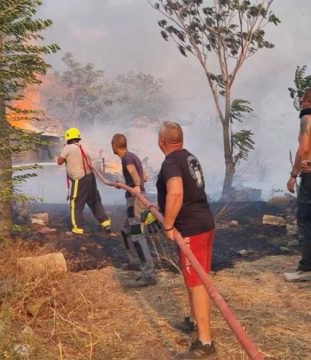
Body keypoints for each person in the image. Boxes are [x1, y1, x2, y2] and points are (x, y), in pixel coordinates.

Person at [156, 121, 216, 359]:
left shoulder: (170, 162)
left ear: (162, 142)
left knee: (197, 282)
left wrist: (168, 224)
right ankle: (193, 320)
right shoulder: (190, 157)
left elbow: (177, 192)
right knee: (194, 277)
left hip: (191, 229)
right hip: (204, 222)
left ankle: (205, 343)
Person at [111, 133, 157, 288]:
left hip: (135, 200)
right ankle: (134, 262)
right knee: (125, 229)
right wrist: (128, 183)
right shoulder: (133, 156)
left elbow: (137, 176)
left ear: (114, 145)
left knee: (137, 235)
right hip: (135, 198)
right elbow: (145, 176)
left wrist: (136, 186)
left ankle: (148, 275)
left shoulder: (126, 159)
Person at [285, 89, 311, 282]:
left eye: (302, 101)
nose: (300, 104)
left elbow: (304, 148)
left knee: (305, 221)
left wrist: (293, 175)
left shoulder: (307, 120)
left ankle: (306, 268)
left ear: (308, 102)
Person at [57, 127, 111, 235]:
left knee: (76, 203)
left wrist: (64, 151)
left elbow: (59, 161)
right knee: (95, 201)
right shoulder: (83, 147)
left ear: (68, 138)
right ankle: (105, 222)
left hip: (79, 179)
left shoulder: (68, 148)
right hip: (90, 177)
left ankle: (78, 228)